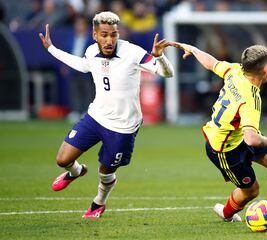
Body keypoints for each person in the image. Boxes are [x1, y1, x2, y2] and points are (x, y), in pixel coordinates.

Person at [39, 11, 174, 218]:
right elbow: (83, 65)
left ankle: (98, 203)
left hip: (123, 126)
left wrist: (160, 57)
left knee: (106, 172)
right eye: (104, 35)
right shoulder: (92, 50)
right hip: (96, 116)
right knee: (62, 159)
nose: (109, 40)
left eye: (113, 34)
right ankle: (77, 171)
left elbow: (167, 73)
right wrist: (52, 49)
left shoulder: (132, 52)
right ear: (95, 35)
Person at [169, 42, 267, 223]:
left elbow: (211, 63)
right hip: (224, 149)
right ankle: (226, 214)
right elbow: (252, 139)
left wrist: (193, 49)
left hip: (239, 133)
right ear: (265, 70)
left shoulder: (235, 70)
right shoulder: (250, 99)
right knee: (252, 191)